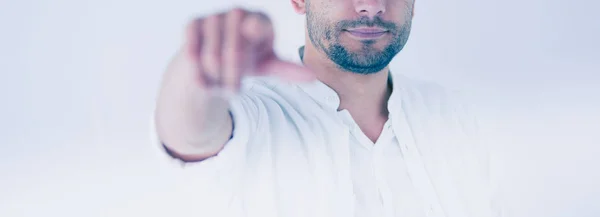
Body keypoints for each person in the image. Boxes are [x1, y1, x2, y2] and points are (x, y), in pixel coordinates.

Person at [152, 0, 503, 216]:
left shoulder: (450, 113)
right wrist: (199, 68)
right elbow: (189, 134)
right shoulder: (256, 117)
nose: (371, 5)